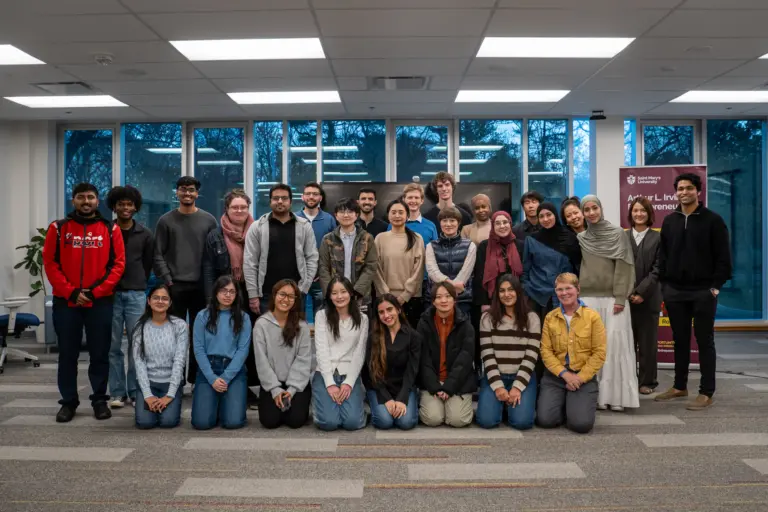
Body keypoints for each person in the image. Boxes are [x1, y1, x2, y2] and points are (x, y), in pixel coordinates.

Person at [43, 182, 126, 423]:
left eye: (90, 197)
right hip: (66, 302)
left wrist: (96, 292)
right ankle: (68, 402)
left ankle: (99, 400)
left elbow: (118, 264)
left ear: (97, 201)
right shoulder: (58, 229)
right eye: (81, 197)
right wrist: (70, 292)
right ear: (74, 201)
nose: (86, 201)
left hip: (99, 302)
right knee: (67, 354)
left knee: (100, 354)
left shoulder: (110, 229)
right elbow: (50, 263)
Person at [655, 173, 731, 410]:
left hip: (703, 291)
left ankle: (707, 392)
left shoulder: (713, 220)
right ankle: (680, 386)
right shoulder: (669, 220)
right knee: (679, 340)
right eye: (680, 188)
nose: (684, 192)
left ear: (698, 191)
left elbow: (723, 257)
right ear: (675, 192)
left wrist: (715, 287)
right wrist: (665, 286)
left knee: (704, 340)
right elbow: (663, 256)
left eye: (689, 188)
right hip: (675, 291)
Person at [154, 176, 218, 385]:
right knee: (174, 336)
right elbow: (158, 254)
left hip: (202, 286)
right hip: (175, 286)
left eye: (191, 190)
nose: (187, 193)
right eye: (183, 190)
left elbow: (215, 253)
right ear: (177, 193)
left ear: (197, 193)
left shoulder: (209, 220)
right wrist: (168, 280)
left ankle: (196, 378)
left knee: (200, 336)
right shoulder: (165, 220)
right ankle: (176, 379)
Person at [577, 195, 638, 412]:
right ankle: (598, 398)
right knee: (593, 348)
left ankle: (617, 398)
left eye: (595, 208)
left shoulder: (617, 233)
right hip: (588, 299)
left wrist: (621, 296)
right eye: (587, 210)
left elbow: (625, 266)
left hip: (614, 299)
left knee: (615, 347)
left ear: (601, 209)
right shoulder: (582, 237)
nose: (591, 213)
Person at [202, 189, 260, 408]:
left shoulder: (257, 231)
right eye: (235, 207)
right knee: (229, 341)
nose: (239, 211)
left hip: (251, 292)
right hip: (225, 294)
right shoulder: (215, 235)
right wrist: (211, 299)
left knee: (249, 342)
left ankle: (244, 386)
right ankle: (230, 385)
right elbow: (208, 269)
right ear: (226, 209)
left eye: (243, 207)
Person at [538, 273, 606, 434]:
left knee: (581, 425)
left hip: (582, 377)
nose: (564, 293)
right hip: (556, 376)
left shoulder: (592, 317)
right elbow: (545, 351)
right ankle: (565, 404)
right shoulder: (550, 317)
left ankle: (576, 404)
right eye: (559, 289)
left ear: (578, 290)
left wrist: (579, 378)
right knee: (545, 420)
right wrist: (565, 375)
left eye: (568, 288)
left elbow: (599, 353)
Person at [106, 185, 153, 409]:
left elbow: (148, 263)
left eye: (129, 204)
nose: (126, 207)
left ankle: (135, 391)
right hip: (110, 295)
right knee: (113, 346)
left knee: (136, 345)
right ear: (114, 206)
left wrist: (140, 282)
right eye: (121, 204)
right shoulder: (105, 231)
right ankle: (116, 392)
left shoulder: (145, 234)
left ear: (136, 207)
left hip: (136, 294)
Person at [476, 274, 541, 430]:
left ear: (518, 292)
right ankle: (501, 402)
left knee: (522, 423)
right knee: (487, 421)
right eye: (502, 291)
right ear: (497, 294)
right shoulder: (487, 318)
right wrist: (498, 386)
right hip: (495, 376)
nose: (507, 294)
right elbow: (487, 354)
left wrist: (517, 387)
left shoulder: (532, 318)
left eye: (511, 290)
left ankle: (509, 404)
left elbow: (531, 355)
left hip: (522, 377)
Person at [243, 184, 319, 316]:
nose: (279, 201)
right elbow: (250, 263)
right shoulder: (257, 227)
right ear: (270, 201)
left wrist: (304, 288)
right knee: (267, 335)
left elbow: (312, 258)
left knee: (295, 335)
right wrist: (253, 295)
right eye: (276, 198)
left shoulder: (304, 226)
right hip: (266, 296)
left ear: (290, 201)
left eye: (284, 198)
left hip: (296, 295)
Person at [191, 276, 252, 430]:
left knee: (233, 423)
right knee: (201, 423)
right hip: (208, 370)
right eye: (223, 291)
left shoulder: (243, 318)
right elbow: (198, 349)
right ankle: (215, 404)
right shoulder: (202, 316)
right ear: (216, 293)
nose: (228, 295)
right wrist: (212, 379)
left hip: (233, 370)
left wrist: (225, 378)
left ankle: (229, 404)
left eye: (232, 292)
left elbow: (242, 350)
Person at [252, 279, 312, 428]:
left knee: (295, 421)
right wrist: (274, 389)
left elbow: (303, 360)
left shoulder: (302, 326)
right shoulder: (261, 325)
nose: (286, 300)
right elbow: (261, 361)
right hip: (272, 383)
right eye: (282, 294)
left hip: (296, 384)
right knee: (270, 422)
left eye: (291, 297)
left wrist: (291, 391)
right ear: (274, 295)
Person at [312, 277, 368, 431]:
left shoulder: (363, 319)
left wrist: (349, 382)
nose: (339, 296)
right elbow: (321, 350)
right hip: (325, 372)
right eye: (334, 293)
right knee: (329, 423)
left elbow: (359, 353)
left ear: (350, 293)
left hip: (349, 373)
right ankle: (320, 407)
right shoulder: (321, 316)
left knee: (352, 423)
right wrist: (330, 383)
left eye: (343, 292)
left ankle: (353, 405)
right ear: (329, 296)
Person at [417, 282, 476, 428]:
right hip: (433, 381)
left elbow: (465, 359)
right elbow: (423, 359)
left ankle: (449, 405)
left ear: (455, 300)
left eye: (448, 296)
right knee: (433, 419)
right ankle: (437, 404)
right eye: (439, 297)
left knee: (458, 420)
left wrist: (449, 387)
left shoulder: (465, 324)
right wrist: (435, 387)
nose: (444, 300)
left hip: (457, 381)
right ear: (433, 302)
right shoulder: (424, 323)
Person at [471, 211, 524, 370]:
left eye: (505, 222)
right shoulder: (484, 246)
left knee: (512, 337)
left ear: (510, 224)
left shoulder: (520, 245)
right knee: (489, 339)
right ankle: (486, 372)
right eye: (498, 223)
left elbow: (523, 274)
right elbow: (479, 276)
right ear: (493, 226)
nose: (502, 226)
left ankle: (513, 370)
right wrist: (484, 303)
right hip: (491, 300)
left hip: (514, 300)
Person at [132, 284, 188, 429]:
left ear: (169, 303)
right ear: (148, 301)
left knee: (168, 422)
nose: (160, 301)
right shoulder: (140, 327)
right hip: (148, 382)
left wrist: (169, 395)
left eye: (164, 298)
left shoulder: (179, 325)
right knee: (145, 423)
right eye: (156, 298)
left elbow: (179, 360)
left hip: (170, 383)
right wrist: (147, 395)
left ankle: (169, 404)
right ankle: (145, 402)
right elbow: (139, 363)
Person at [365, 294, 422, 430]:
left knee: (406, 423)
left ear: (398, 310)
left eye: (390, 309)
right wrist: (387, 399)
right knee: (384, 422)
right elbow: (372, 371)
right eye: (381, 312)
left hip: (404, 387)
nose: (386, 315)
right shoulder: (373, 337)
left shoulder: (413, 336)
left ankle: (411, 403)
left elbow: (412, 370)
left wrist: (402, 398)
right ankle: (374, 404)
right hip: (380, 388)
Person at [625, 197, 662, 395]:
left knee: (648, 345)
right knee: (627, 343)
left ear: (649, 214)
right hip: (626, 300)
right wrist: (629, 292)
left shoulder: (658, 238)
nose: (639, 214)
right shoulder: (623, 237)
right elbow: (619, 267)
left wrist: (640, 292)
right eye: (635, 210)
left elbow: (658, 269)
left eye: (643, 211)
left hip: (649, 299)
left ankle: (648, 382)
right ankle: (629, 379)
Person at [522, 202, 581, 321]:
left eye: (549, 215)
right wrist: (527, 289)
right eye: (541, 216)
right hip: (537, 296)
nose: (545, 219)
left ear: (555, 215)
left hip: (565, 295)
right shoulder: (532, 240)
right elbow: (525, 269)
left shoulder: (570, 238)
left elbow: (578, 267)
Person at [318, 198, 378, 313]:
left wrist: (357, 291)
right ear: (336, 215)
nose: (346, 215)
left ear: (356, 215)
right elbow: (323, 267)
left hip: (360, 296)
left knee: (360, 328)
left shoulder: (367, 238)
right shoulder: (327, 239)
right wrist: (332, 292)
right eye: (342, 212)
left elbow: (371, 266)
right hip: (336, 296)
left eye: (350, 212)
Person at [374, 199, 425, 328]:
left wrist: (404, 296)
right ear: (388, 215)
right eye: (394, 212)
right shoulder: (380, 238)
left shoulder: (417, 238)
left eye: (401, 212)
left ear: (407, 216)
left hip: (410, 299)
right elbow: (376, 268)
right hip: (385, 298)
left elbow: (418, 270)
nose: (397, 216)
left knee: (409, 337)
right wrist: (386, 295)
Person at [296, 182, 337, 323]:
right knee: (297, 319)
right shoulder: (294, 218)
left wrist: (324, 272)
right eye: (308, 194)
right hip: (298, 277)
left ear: (320, 198)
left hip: (321, 278)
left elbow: (334, 249)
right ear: (302, 197)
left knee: (321, 320)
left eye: (315, 194)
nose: (311, 197)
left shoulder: (329, 219)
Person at [425, 207, 477, 313]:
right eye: (444, 221)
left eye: (452, 220)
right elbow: (432, 271)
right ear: (440, 223)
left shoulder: (470, 245)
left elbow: (465, 273)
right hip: (437, 299)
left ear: (458, 223)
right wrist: (450, 288)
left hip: (462, 299)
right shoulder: (431, 246)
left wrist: (451, 291)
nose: (448, 224)